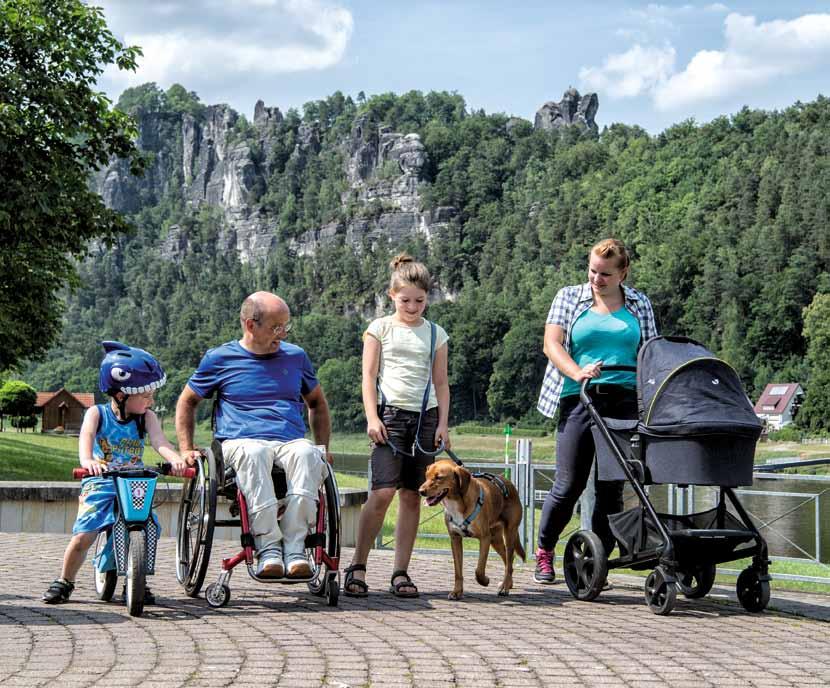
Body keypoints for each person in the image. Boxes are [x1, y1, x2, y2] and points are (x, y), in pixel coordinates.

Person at [175, 292, 331, 579]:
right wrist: (185, 447)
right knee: (254, 452)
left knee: (310, 453)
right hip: (239, 440)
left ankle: (295, 548)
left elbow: (318, 403)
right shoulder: (220, 358)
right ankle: (268, 546)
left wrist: (323, 446)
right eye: (275, 327)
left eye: (286, 326)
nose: (282, 334)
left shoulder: (296, 357)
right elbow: (187, 401)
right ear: (250, 325)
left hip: (289, 440)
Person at [534, 238, 658, 584]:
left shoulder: (639, 304)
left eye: (605, 274)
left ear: (623, 273)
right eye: (592, 271)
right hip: (580, 396)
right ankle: (545, 551)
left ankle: (596, 560)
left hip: (624, 400)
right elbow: (552, 344)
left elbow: (650, 352)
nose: (596, 279)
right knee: (568, 483)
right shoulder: (569, 298)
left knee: (610, 486)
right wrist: (577, 372)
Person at [42, 341, 188, 604]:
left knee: (148, 527)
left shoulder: (147, 418)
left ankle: (136, 580)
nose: (151, 400)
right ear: (121, 394)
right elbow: (85, 438)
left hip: (134, 484)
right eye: (145, 395)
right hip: (100, 481)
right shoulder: (97, 414)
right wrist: (89, 461)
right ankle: (65, 580)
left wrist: (176, 460)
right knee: (84, 535)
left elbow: (160, 443)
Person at [344, 253, 450, 598]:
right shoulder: (379, 328)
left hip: (426, 418)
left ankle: (400, 572)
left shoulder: (436, 334)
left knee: (412, 496)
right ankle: (358, 565)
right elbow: (368, 376)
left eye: (420, 300)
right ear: (392, 296)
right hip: (390, 416)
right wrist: (372, 417)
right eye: (405, 300)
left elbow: (442, 383)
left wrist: (443, 425)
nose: (413, 306)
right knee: (381, 492)